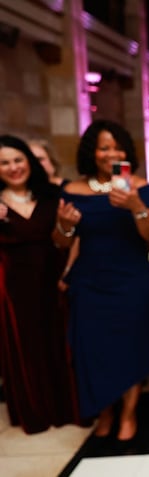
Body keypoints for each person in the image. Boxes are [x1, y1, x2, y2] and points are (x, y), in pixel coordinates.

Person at [61, 120, 149, 441]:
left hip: (131, 281)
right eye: (104, 147)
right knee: (94, 350)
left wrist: (135, 207)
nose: (111, 153)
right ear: (92, 152)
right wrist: (63, 226)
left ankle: (129, 415)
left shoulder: (140, 187)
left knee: (131, 347)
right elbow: (62, 242)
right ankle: (104, 411)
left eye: (117, 146)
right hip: (90, 282)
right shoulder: (73, 190)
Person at [0, 134, 81, 434]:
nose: (13, 167)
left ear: (29, 162)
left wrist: (66, 226)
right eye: (5, 163)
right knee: (26, 349)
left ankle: (65, 408)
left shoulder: (51, 195)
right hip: (14, 289)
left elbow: (63, 242)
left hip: (53, 281)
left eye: (18, 160)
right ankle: (34, 412)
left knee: (59, 344)